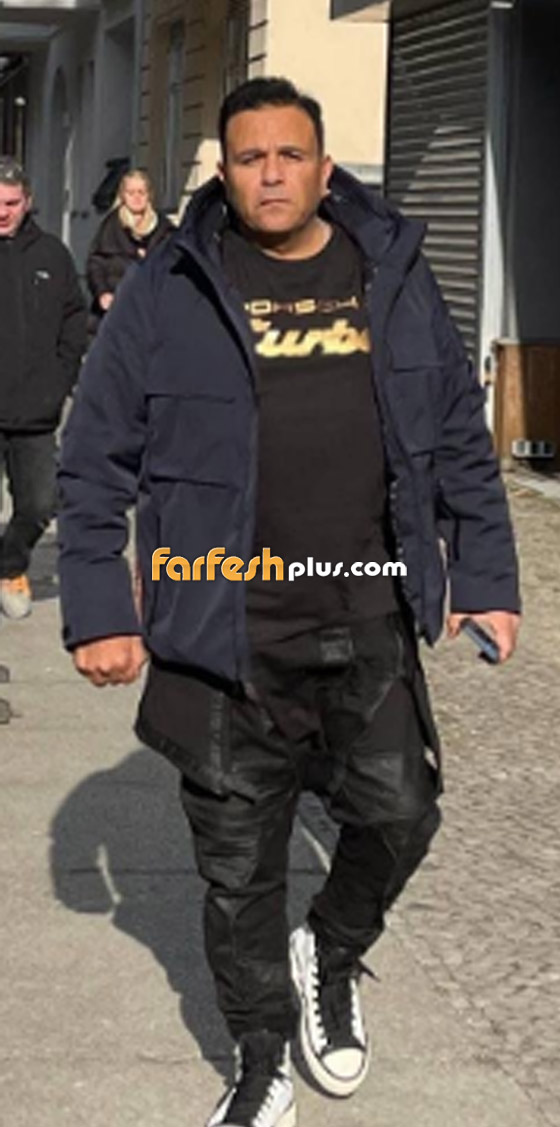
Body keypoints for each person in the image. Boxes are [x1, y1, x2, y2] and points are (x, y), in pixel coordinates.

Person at [58, 78, 521, 1127]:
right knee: (238, 872)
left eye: (289, 154)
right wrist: (99, 608)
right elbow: (93, 457)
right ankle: (261, 1054)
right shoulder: (170, 284)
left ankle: (332, 950)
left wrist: (487, 576)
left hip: (365, 613)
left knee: (401, 812)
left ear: (322, 166)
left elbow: (456, 430)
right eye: (249, 157)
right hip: (218, 629)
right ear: (224, 172)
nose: (270, 173)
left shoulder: (390, 270)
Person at [0, 157, 86, 620]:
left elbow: (75, 319)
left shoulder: (52, 255)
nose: (3, 212)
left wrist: (60, 379)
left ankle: (10, 565)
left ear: (28, 202)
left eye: (11, 203)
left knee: (39, 504)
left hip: (34, 410)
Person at [86, 168, 173, 334]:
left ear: (149, 195)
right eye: (131, 193)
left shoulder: (164, 229)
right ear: (122, 195)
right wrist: (102, 292)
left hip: (153, 312)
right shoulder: (110, 226)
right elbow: (95, 263)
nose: (136, 197)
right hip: (116, 310)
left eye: (141, 192)